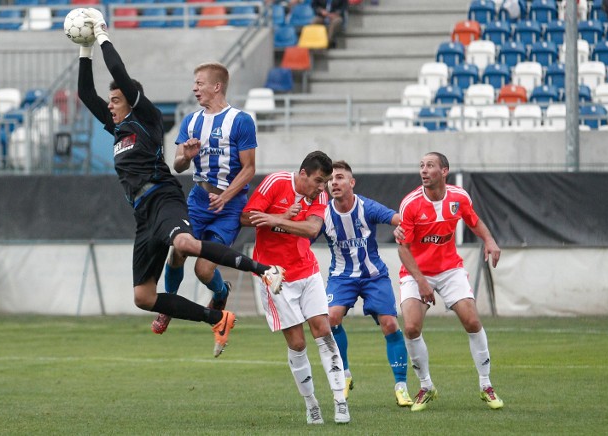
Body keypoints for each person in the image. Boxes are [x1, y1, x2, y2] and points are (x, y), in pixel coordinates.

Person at [76, 9, 284, 358]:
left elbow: (119, 73)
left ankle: (264, 271)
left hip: (162, 197)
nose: (110, 106)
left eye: (115, 100)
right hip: (143, 214)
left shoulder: (147, 118)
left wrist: (101, 35)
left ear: (131, 101)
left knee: (186, 246)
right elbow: (85, 92)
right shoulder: (118, 128)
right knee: (143, 296)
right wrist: (84, 50)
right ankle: (216, 317)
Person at [240, 151, 350, 425]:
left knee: (323, 332)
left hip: (306, 270)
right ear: (303, 175)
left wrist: (277, 219)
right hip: (275, 276)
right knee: (298, 343)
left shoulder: (320, 196)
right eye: (318, 181)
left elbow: (312, 229)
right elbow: (245, 217)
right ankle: (311, 404)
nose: (322, 188)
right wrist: (275, 214)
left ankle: (340, 400)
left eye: (324, 182)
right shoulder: (275, 182)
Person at [150, 62, 257, 336]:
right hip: (198, 200)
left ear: (216, 86)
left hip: (228, 207)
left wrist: (227, 197)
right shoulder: (191, 121)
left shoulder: (241, 120)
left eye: (199, 83)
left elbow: (249, 169)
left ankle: (220, 293)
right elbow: (178, 165)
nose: (194, 88)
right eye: (195, 83)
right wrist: (186, 155)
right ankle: (169, 305)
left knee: (203, 270)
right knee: (178, 250)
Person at [395, 151, 504, 411]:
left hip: (449, 269)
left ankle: (486, 385)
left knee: (472, 321)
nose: (423, 170)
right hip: (415, 272)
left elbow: (473, 220)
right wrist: (421, 282)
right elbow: (403, 248)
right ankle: (426, 386)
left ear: (444, 171)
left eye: (430, 166)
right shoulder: (410, 204)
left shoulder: (458, 197)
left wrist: (489, 240)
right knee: (410, 328)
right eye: (421, 165)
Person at [320, 160, 412, 407]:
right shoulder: (323, 213)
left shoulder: (366, 207)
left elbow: (396, 218)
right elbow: (304, 236)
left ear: (351, 183)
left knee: (390, 324)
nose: (334, 183)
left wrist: (402, 228)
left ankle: (401, 386)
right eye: (330, 179)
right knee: (330, 319)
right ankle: (346, 374)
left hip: (374, 276)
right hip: (341, 277)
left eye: (339, 178)